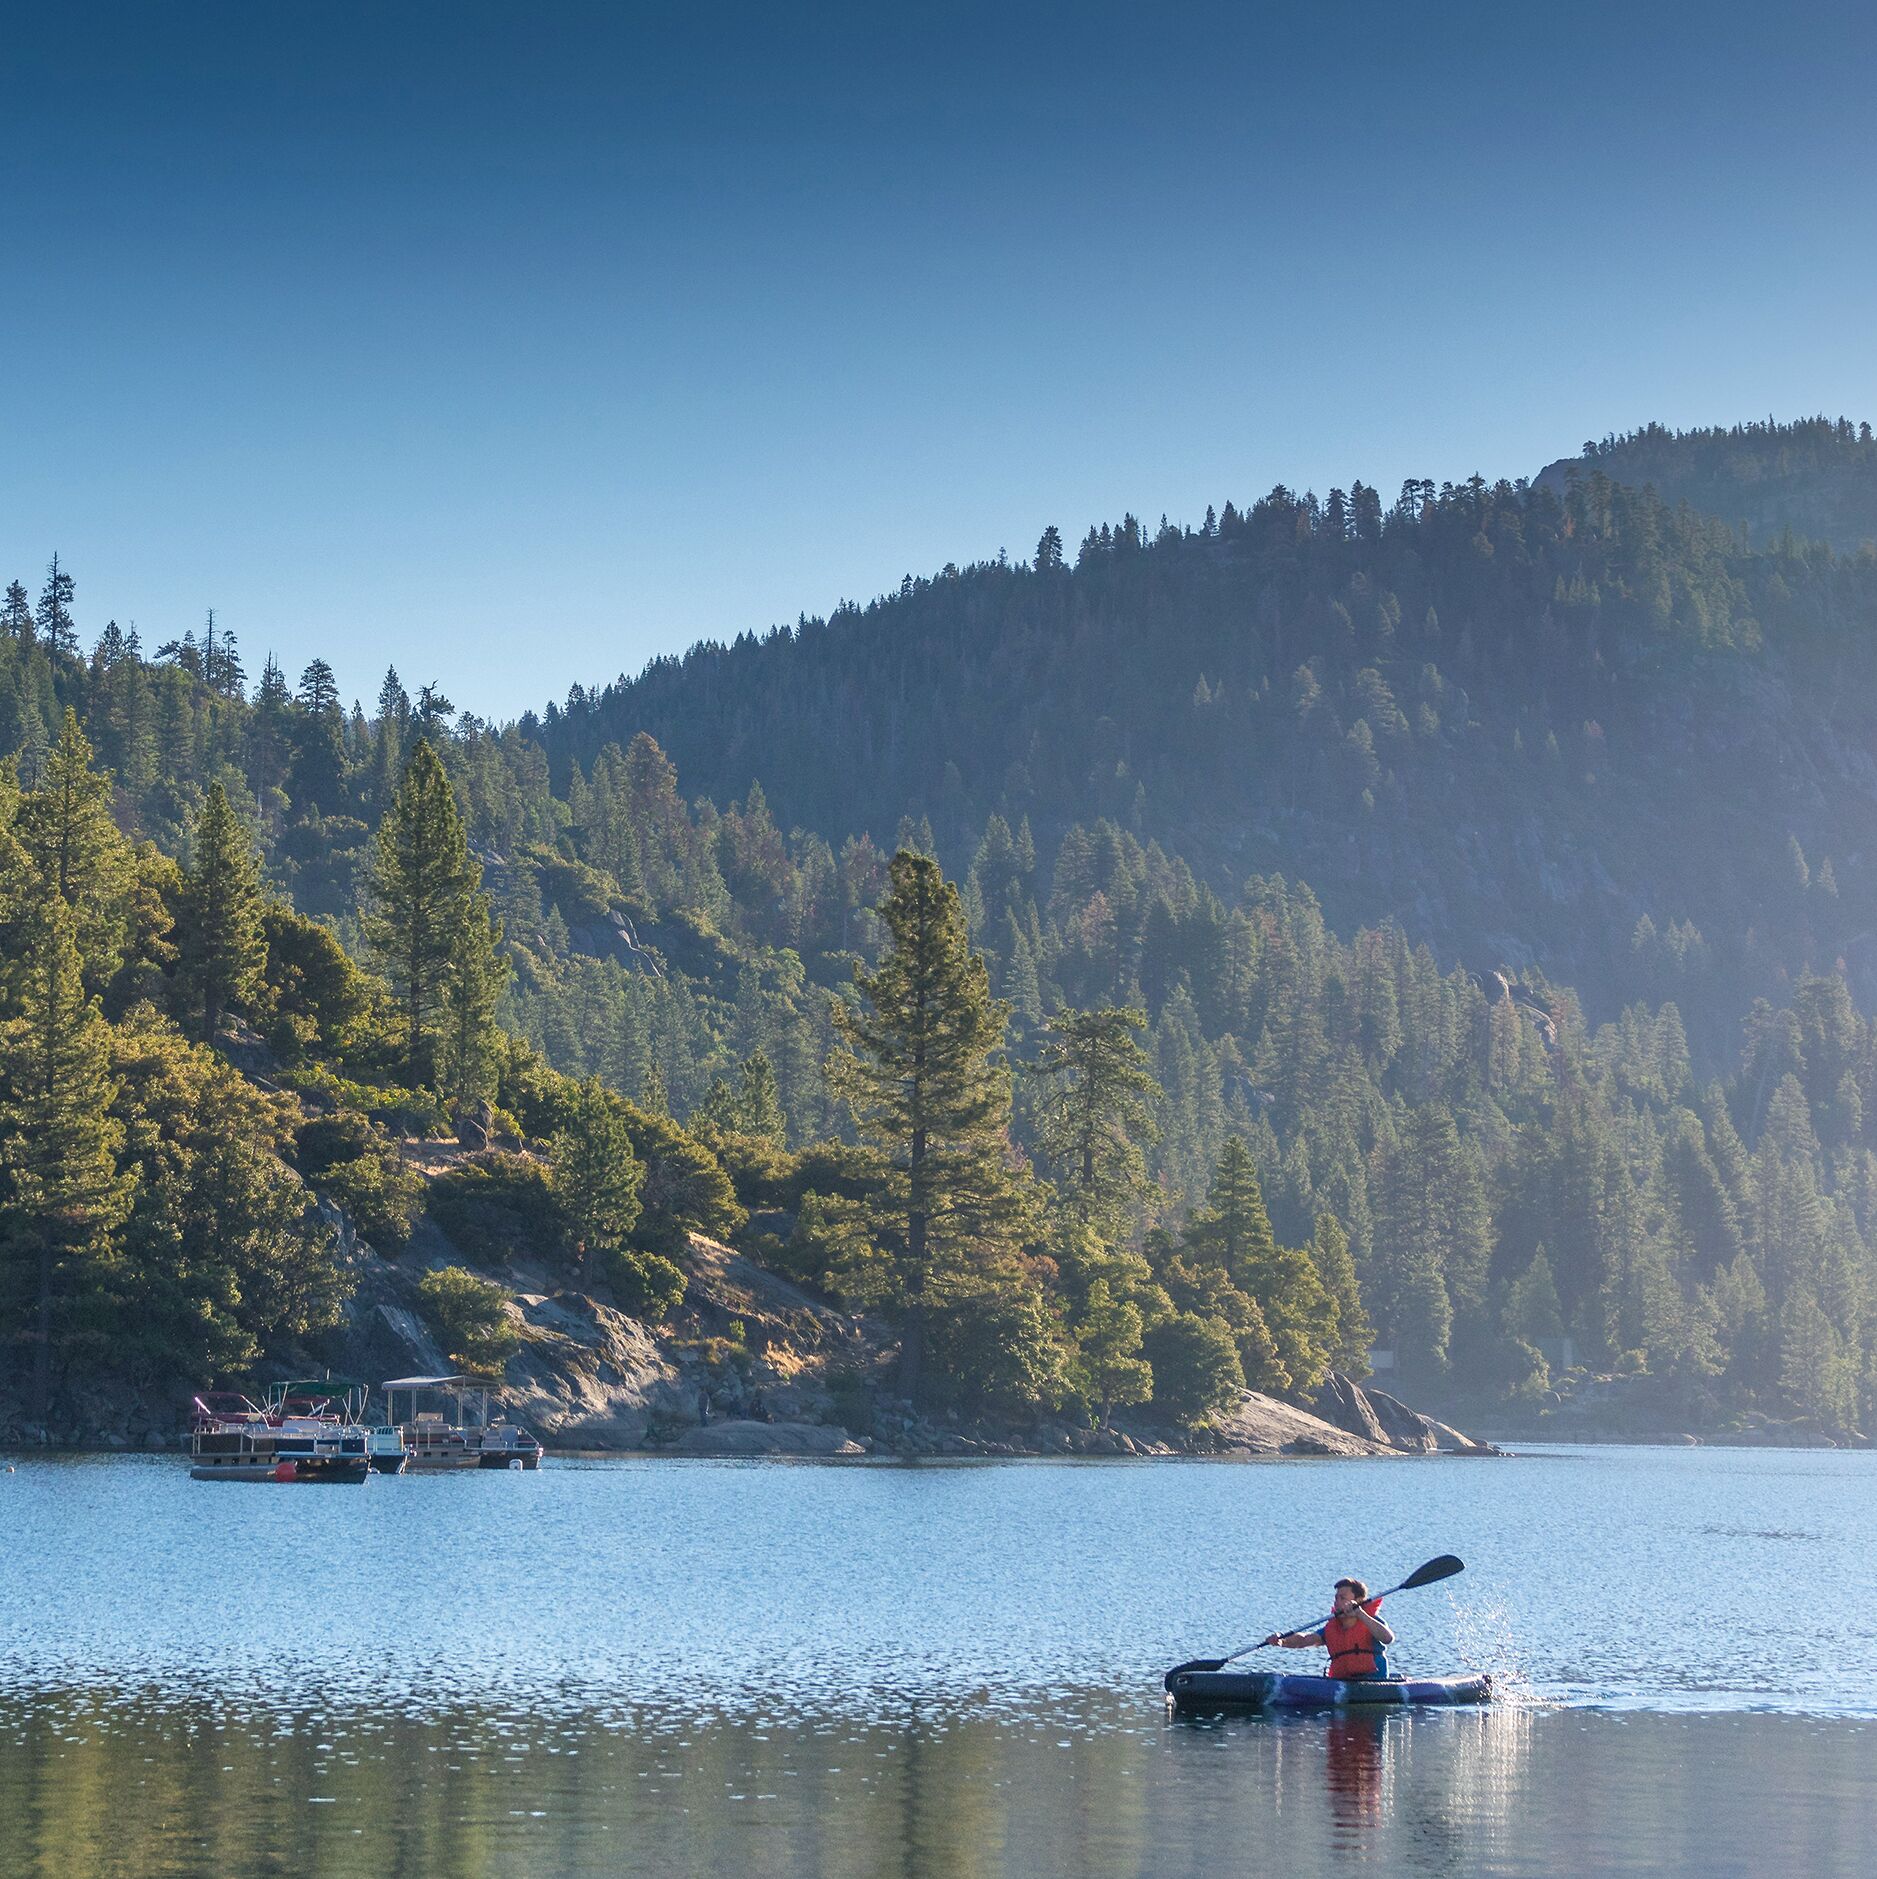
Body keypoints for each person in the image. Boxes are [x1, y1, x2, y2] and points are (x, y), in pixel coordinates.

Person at [1262, 1576, 1395, 1679]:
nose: (1337, 1602)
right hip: (1342, 1680)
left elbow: (1388, 1638)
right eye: (1336, 1598)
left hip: (1373, 1681)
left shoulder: (1372, 1621)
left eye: (1342, 1598)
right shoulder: (1332, 1627)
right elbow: (1305, 1640)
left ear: (1358, 1600)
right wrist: (1282, 1640)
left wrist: (1360, 1613)